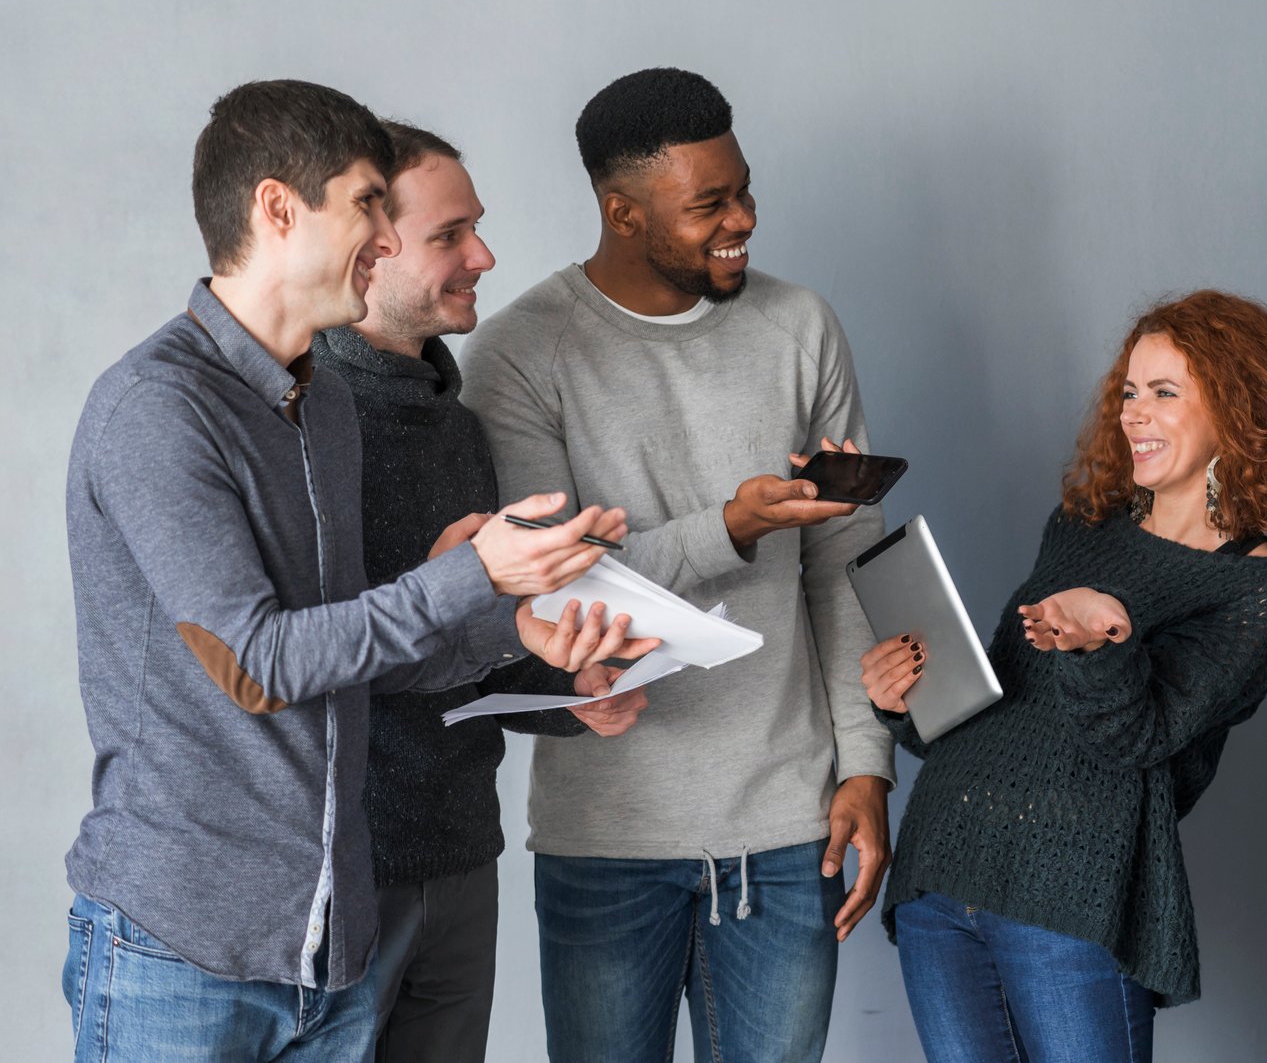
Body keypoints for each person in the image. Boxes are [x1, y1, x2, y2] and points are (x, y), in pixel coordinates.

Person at [60, 79, 647, 1061]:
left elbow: (350, 658)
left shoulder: (319, 407)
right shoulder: (157, 412)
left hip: (331, 944)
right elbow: (256, 664)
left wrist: (513, 629)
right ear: (277, 209)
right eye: (370, 202)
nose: (386, 236)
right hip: (184, 952)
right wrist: (470, 579)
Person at [459, 66, 893, 1062]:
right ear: (622, 211)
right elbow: (558, 589)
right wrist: (730, 527)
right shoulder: (522, 353)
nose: (742, 217)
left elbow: (842, 566)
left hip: (788, 835)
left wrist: (865, 768)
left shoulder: (801, 328)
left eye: (743, 188)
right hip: (605, 838)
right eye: (709, 203)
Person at [861, 291, 1267, 1062]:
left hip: (1069, 889)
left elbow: (1137, 740)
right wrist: (904, 699)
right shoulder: (1080, 526)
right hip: (940, 864)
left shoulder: (1258, 589)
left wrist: (1105, 639)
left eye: (1165, 393)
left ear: (1239, 406)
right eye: (1130, 393)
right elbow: (998, 707)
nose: (1135, 414)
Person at [310, 120, 652, 1063]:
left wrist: (571, 698)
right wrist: (450, 588)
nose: (484, 255)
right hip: (346, 874)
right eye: (450, 235)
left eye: (479, 227)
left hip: (463, 855)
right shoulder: (301, 427)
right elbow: (296, 660)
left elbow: (470, 661)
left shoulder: (456, 427)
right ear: (370, 251)